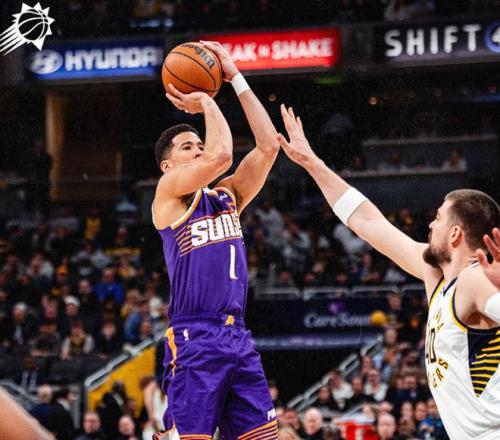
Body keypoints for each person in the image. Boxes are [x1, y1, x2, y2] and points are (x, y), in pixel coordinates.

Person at [276, 104, 500, 438]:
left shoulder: (474, 279)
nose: (430, 224)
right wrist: (313, 164)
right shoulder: (437, 277)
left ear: (455, 233)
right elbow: (368, 222)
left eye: (438, 218)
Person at [152, 41, 279, 439]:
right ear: (167, 165)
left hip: (237, 335)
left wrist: (235, 76)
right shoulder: (169, 194)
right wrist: (206, 101)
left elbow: (269, 146)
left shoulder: (227, 197)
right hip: (195, 337)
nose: (199, 150)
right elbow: (221, 156)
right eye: (188, 147)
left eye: (200, 144)